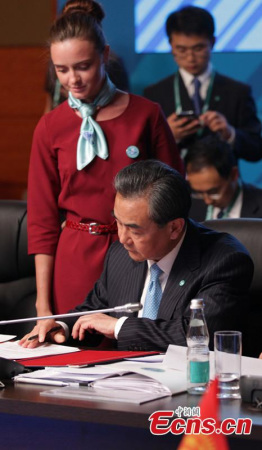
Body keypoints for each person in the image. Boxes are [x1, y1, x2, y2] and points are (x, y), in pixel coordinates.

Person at [27, 0, 183, 330]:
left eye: (82, 66)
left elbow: (176, 199)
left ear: (105, 55)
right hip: (75, 260)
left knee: (137, 353)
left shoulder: (146, 114)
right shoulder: (49, 127)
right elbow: (41, 222)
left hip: (138, 254)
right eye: (61, 69)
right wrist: (43, 305)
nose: (73, 80)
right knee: (74, 363)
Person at [21, 160, 253, 352]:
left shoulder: (224, 261)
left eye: (134, 229)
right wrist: (60, 327)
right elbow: (94, 310)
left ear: (174, 228)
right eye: (118, 223)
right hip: (124, 386)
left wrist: (119, 327)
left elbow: (198, 337)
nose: (122, 238)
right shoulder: (121, 253)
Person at [144, 5, 262, 162]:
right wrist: (167, 135)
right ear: (171, 45)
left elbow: (256, 150)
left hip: (223, 184)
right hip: (174, 183)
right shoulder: (154, 93)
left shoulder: (238, 92)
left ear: (212, 42)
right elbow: (141, 154)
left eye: (198, 48)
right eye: (181, 49)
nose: (190, 58)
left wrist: (230, 133)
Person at [185, 136, 262, 221]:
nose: (207, 201)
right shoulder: (187, 207)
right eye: (198, 193)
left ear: (234, 175)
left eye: (213, 192)